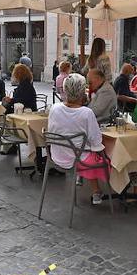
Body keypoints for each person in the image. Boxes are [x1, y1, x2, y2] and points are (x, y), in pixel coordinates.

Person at [47, 73, 111, 205]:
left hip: (56, 157)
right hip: (78, 160)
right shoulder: (86, 113)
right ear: (83, 92)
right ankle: (99, 190)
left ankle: (90, 185)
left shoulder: (54, 108)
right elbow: (96, 142)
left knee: (83, 150)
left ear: (65, 90)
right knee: (103, 156)